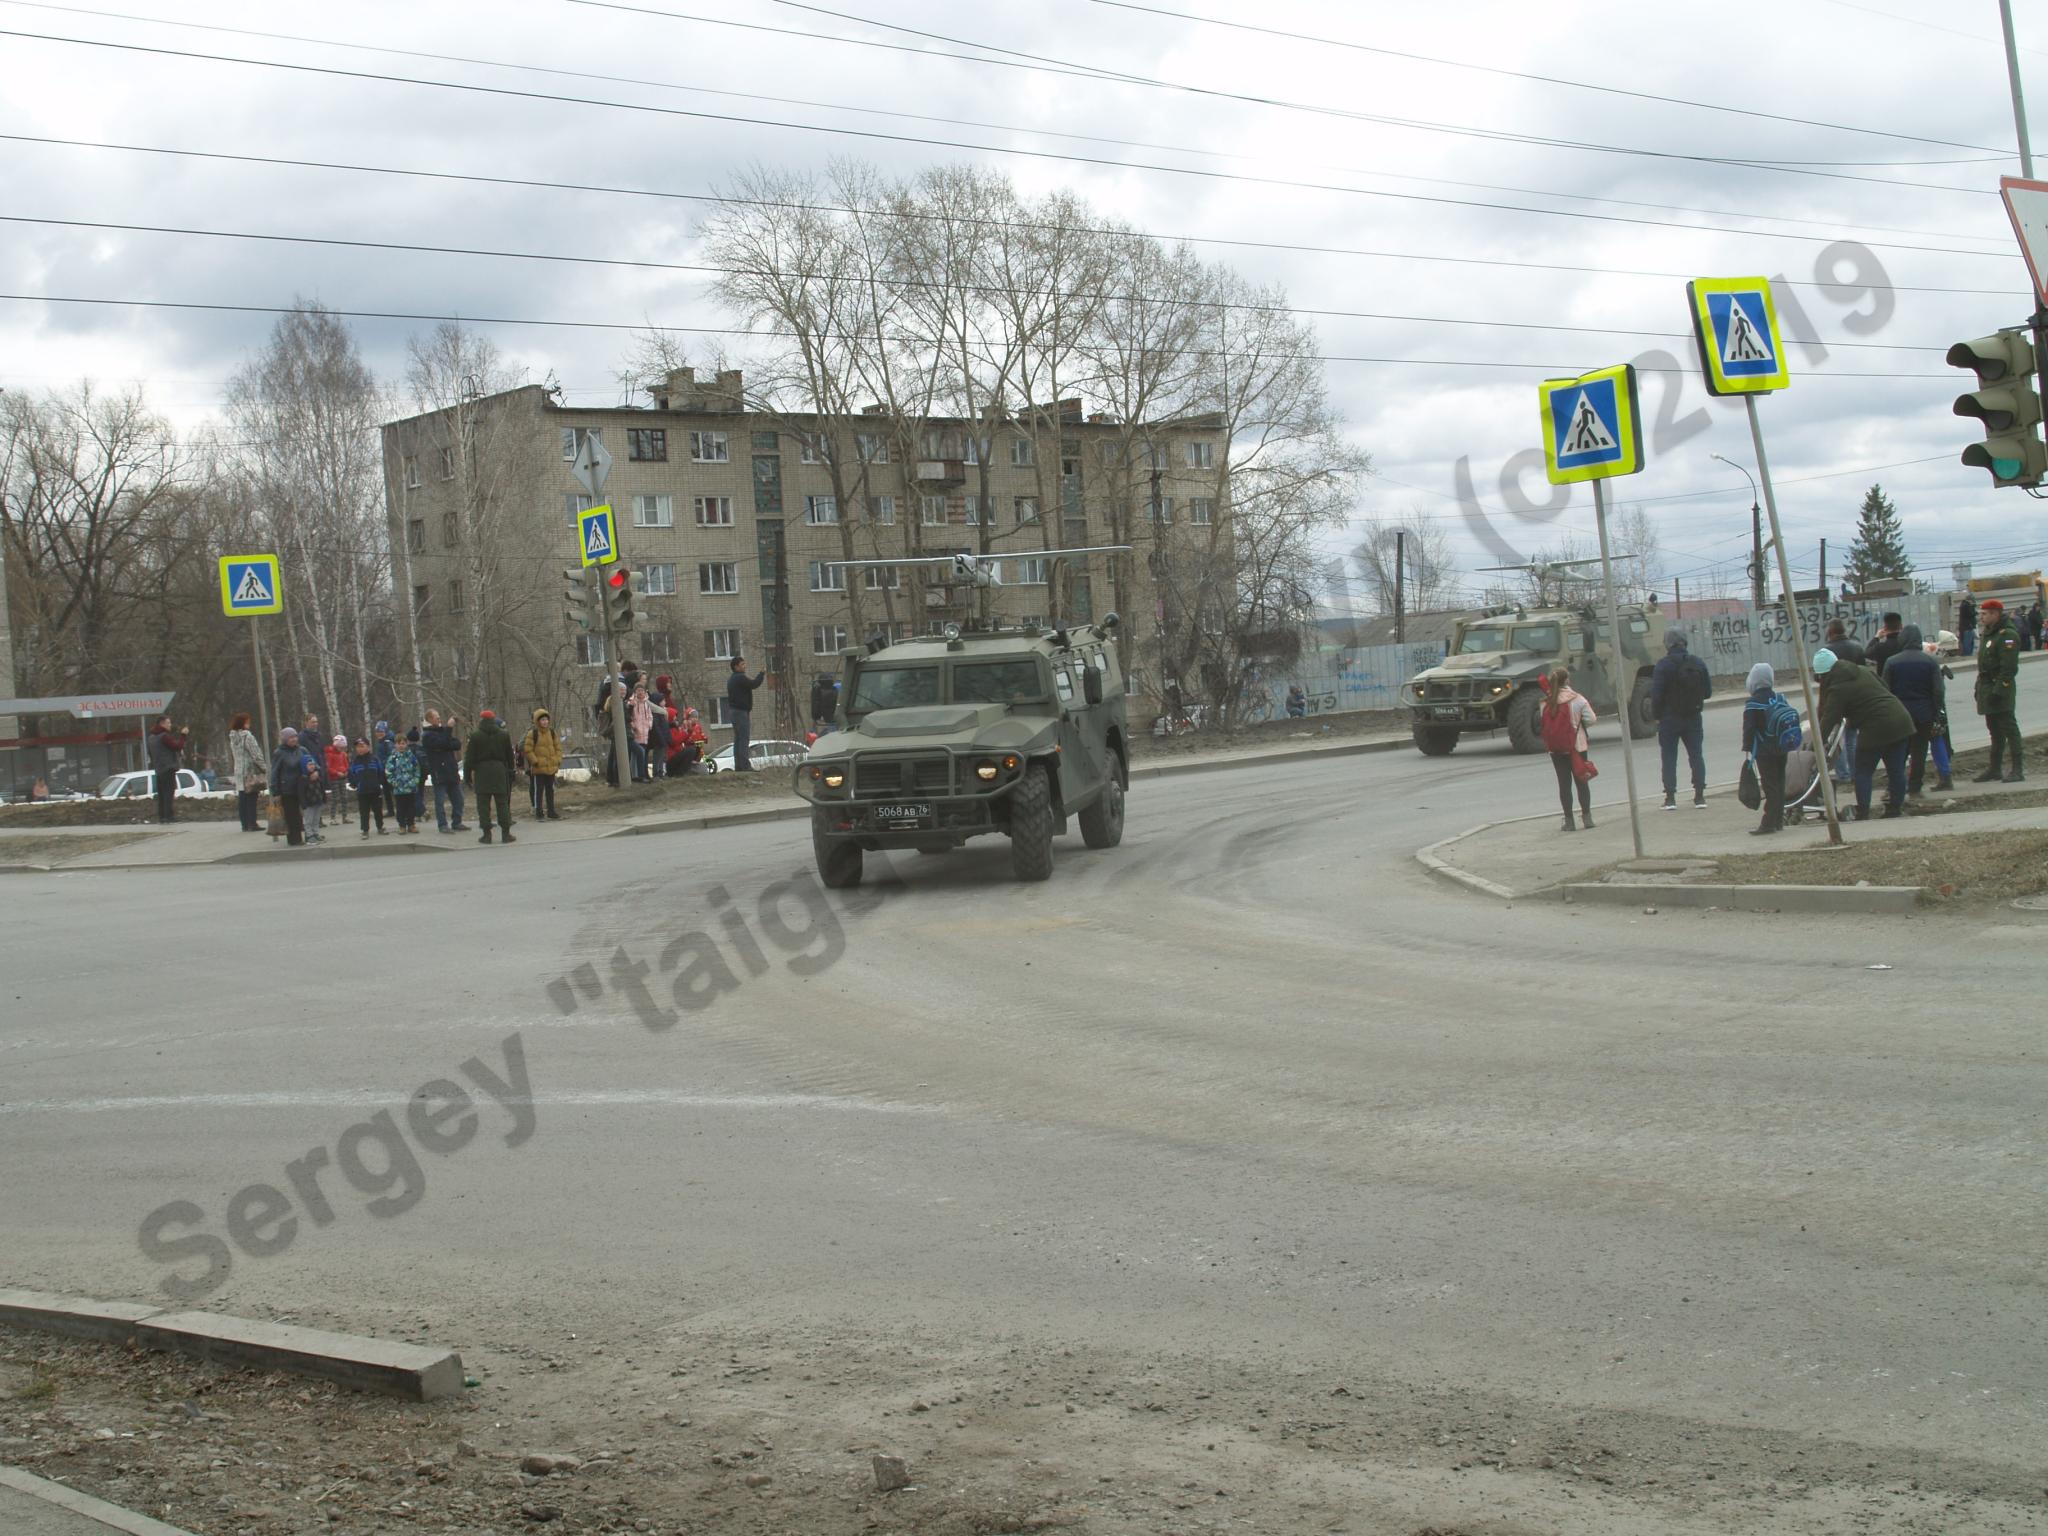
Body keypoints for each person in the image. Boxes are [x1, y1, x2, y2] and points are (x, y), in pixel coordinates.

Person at [1814, 646, 1914, 819]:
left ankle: (1863, 812)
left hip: (1876, 727)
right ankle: (1895, 809)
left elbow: (1829, 719)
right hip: (1901, 720)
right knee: (1896, 770)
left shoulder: (1837, 688)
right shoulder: (1861, 670)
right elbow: (1883, 687)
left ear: (1823, 675)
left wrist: (1814, 744)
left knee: (1863, 771)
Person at [1649, 626, 1712, 809]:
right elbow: (1707, 692)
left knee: (1669, 757)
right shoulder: (1698, 663)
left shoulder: (1663, 665)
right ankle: (1699, 796)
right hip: (1693, 717)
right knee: (1696, 755)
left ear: (1667, 644)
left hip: (1669, 719)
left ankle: (1670, 798)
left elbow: (1657, 695)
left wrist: (1657, 716)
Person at [1881, 626, 1946, 796]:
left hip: (1900, 714)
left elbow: (1885, 690)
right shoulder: (1930, 662)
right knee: (1919, 752)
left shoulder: (1892, 661)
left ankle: (1894, 787)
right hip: (1924, 714)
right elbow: (1938, 690)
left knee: (1898, 752)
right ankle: (1915, 788)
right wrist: (1936, 711)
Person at [1740, 663, 1803, 835]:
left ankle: (1768, 823)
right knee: (1779, 783)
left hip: (1764, 751)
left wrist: (1747, 748)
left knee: (1770, 786)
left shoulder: (1753, 703)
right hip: (1782, 747)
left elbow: (1749, 729)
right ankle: (1777, 821)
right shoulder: (1780, 698)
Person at [1973, 598, 2024, 782]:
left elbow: (2008, 669)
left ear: (1995, 614)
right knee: (1994, 730)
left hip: (2000, 688)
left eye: (1984, 614)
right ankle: (1995, 769)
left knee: (2009, 728)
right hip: (1987, 686)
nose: (1981, 617)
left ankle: (2017, 769)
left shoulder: (2007, 635)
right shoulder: (1989, 633)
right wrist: (1979, 687)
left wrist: (1998, 691)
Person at [1538, 668, 1596, 831]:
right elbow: (1591, 719)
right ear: (1567, 681)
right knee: (1582, 782)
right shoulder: (1577, 699)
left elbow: (1543, 725)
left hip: (1556, 749)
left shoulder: (1545, 702)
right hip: (1577, 747)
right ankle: (1587, 818)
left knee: (1564, 784)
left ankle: (1569, 821)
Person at [1822, 619, 1866, 783]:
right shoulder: (1857, 648)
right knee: (1852, 738)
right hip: (1856, 699)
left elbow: (1821, 677)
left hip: (1835, 699)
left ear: (1831, 632)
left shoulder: (1826, 651)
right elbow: (1863, 672)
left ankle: (1843, 774)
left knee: (1835, 741)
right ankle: (1856, 773)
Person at [464, 707, 517, 843]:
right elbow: (509, 756)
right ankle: (506, 833)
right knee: (502, 803)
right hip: (499, 771)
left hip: (482, 772)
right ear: (493, 720)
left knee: (483, 805)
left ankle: (486, 834)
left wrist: (467, 776)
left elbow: (469, 758)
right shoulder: (504, 734)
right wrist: (511, 771)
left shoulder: (475, 736)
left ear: (482, 720)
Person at [420, 710, 468, 833]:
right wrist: (449, 729)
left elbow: (456, 744)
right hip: (439, 772)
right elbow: (443, 743)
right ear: (429, 719)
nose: (439, 719)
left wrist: (446, 741)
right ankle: (442, 825)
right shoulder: (427, 736)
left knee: (459, 799)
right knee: (440, 801)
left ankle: (457, 822)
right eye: (437, 717)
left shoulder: (442, 732)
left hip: (451, 771)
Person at [268, 727, 307, 847]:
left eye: (295, 736)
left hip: (303, 786)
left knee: (306, 813)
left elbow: (311, 762)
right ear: (285, 739)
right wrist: (275, 791)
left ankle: (309, 834)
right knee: (292, 814)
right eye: (291, 737)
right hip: (287, 789)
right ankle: (294, 839)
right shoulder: (279, 753)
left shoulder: (302, 750)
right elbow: (274, 772)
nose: (294, 739)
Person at [227, 712, 265, 832]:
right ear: (243, 723)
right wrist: (264, 767)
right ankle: (252, 823)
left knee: (243, 798)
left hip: (238, 770)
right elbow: (255, 753)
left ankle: (244, 824)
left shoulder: (233, 737)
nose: (249, 723)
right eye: (247, 721)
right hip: (249, 771)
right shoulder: (247, 736)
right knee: (252, 798)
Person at [523, 707, 563, 820]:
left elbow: (558, 748)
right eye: (542, 720)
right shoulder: (533, 733)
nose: (545, 722)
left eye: (546, 719)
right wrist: (535, 761)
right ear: (537, 721)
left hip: (551, 766)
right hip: (539, 768)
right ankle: (539, 812)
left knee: (550, 790)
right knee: (539, 791)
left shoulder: (552, 733)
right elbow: (528, 749)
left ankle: (551, 811)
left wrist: (557, 760)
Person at [727, 656, 766, 770]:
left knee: (738, 739)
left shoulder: (732, 679)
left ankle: (739, 765)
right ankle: (744, 766)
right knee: (744, 738)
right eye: (742, 664)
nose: (745, 666)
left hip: (734, 712)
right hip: (740, 712)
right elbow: (754, 684)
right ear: (736, 667)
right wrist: (761, 674)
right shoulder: (740, 677)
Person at [147, 716, 188, 823]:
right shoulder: (164, 736)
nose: (170, 725)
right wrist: (183, 735)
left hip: (158, 769)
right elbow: (177, 746)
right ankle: (169, 816)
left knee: (161, 794)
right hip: (168, 768)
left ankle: (162, 816)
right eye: (168, 723)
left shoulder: (151, 737)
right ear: (162, 723)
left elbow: (150, 754)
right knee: (169, 793)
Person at [347, 738, 388, 836]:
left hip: (375, 790)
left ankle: (380, 827)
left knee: (378, 810)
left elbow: (381, 772)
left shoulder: (374, 759)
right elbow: (351, 774)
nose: (360, 749)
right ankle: (365, 830)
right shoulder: (355, 761)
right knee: (364, 812)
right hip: (362, 791)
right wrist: (354, 783)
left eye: (362, 746)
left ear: (368, 747)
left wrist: (379, 782)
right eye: (358, 747)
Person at [386, 728, 423, 833]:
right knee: (401, 808)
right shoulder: (392, 758)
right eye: (399, 744)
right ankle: (402, 825)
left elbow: (417, 769)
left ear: (406, 744)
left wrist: (415, 781)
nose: (401, 746)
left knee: (411, 807)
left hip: (410, 787)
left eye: (403, 743)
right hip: (398, 789)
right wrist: (394, 783)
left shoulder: (411, 757)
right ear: (395, 745)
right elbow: (389, 772)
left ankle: (411, 824)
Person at [299, 731, 327, 845]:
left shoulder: (317, 776)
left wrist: (324, 798)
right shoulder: (303, 778)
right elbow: (301, 792)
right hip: (309, 803)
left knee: (316, 819)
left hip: (317, 801)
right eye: (309, 765)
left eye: (313, 764)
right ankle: (309, 835)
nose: (312, 766)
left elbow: (321, 788)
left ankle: (316, 833)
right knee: (308, 820)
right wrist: (303, 803)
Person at [626, 682, 654, 782]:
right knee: (636, 753)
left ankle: (642, 774)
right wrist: (633, 726)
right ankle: (635, 775)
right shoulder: (632, 702)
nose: (640, 692)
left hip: (645, 732)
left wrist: (649, 725)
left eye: (642, 690)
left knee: (643, 753)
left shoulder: (646, 703)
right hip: (635, 732)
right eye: (638, 690)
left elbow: (650, 716)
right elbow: (629, 717)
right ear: (635, 691)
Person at [1866, 612, 1907, 679]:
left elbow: (1867, 653)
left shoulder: (1880, 647)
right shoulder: (1906, 645)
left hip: (1885, 685)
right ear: (1901, 626)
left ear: (1885, 627)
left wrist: (1876, 637)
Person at [325, 734, 350, 816]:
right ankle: (333, 816)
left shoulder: (343, 754)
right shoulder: (330, 754)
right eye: (340, 747)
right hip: (334, 778)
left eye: (343, 748)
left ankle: (345, 816)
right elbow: (329, 767)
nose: (342, 749)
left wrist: (346, 771)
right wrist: (336, 772)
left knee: (345, 797)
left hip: (343, 778)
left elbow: (346, 765)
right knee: (335, 798)